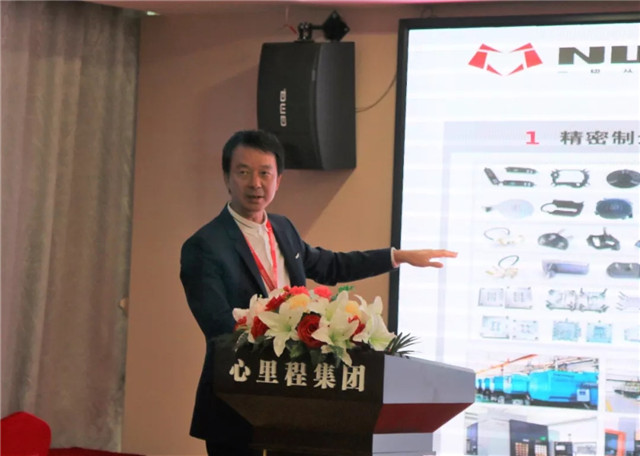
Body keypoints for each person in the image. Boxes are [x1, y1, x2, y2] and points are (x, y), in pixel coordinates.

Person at [180, 129, 457, 456]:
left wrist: (396, 256)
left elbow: (331, 265)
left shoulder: (283, 228)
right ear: (227, 178)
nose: (255, 183)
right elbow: (219, 328)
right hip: (237, 400)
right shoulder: (204, 246)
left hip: (294, 401)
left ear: (278, 180)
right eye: (243, 172)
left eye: (265, 173)